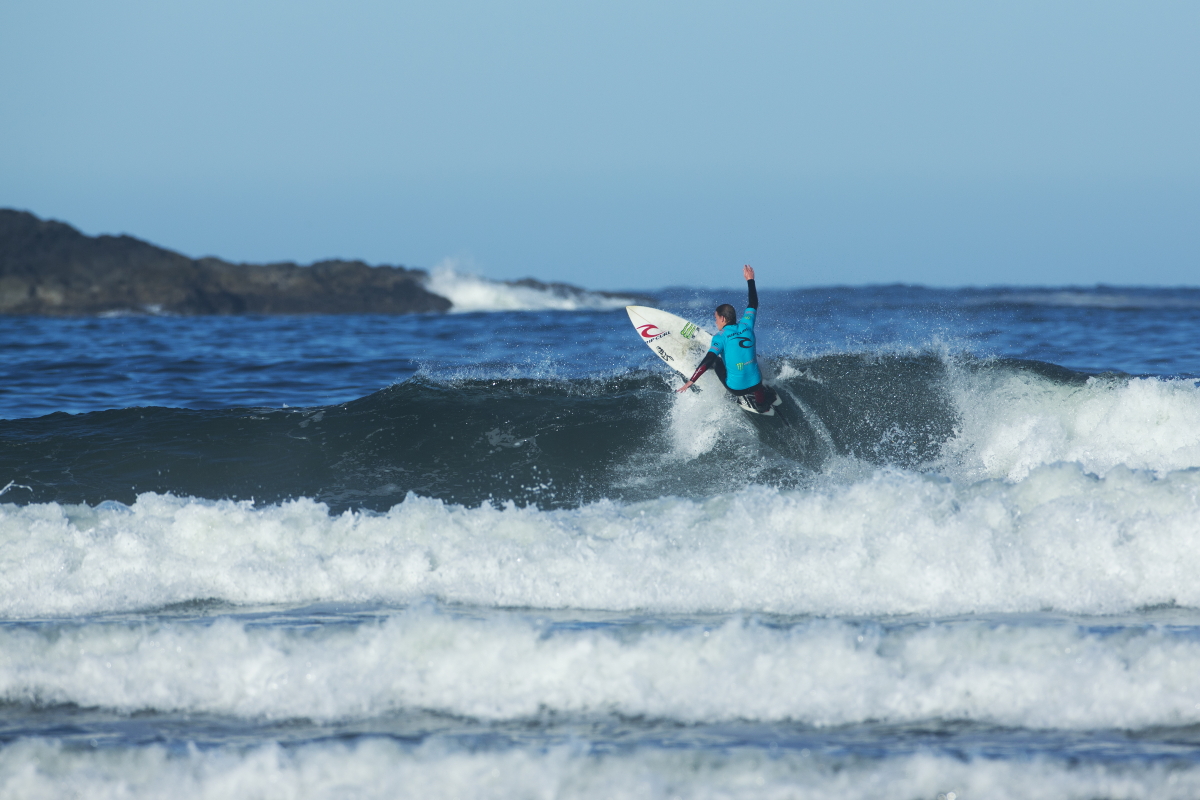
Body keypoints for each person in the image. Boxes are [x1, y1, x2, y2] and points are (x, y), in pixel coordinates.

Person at [676, 265, 778, 412]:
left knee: (717, 362)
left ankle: (733, 396)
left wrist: (691, 381)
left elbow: (709, 359)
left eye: (716, 318)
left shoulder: (720, 337)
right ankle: (761, 402)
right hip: (757, 383)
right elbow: (753, 303)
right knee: (753, 360)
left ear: (723, 318)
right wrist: (750, 280)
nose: (715, 321)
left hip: (736, 389)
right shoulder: (747, 324)